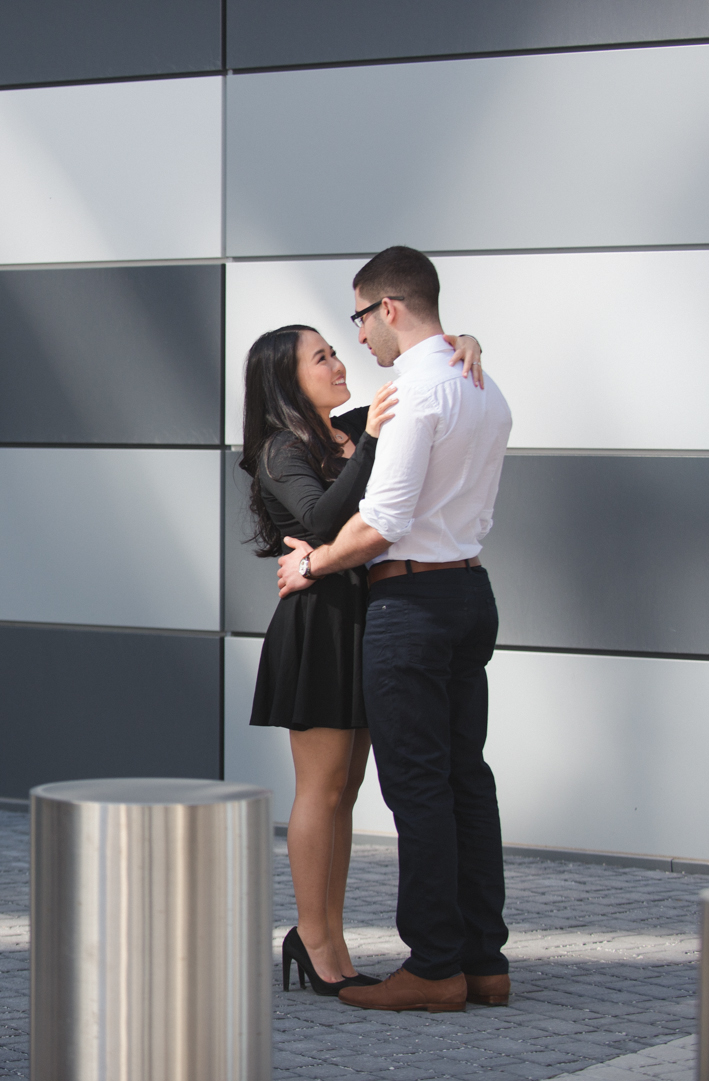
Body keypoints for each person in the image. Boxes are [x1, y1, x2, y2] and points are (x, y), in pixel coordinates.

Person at [275, 246, 514, 1013]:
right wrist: (465, 339)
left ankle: (435, 966)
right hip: (471, 591)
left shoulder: (416, 392)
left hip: (410, 605)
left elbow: (381, 522)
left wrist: (313, 567)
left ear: (389, 309)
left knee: (417, 787)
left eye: (360, 318)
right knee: (465, 780)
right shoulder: (483, 385)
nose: (360, 340)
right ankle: (484, 960)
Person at [238, 322, 483, 996]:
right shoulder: (280, 449)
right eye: (321, 357)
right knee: (321, 788)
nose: (338, 363)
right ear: (288, 379)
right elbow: (320, 523)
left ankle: (331, 936)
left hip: (367, 619)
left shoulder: (345, 427)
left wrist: (465, 343)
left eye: (335, 351)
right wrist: (371, 442)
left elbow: (426, 373)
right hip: (318, 627)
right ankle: (314, 938)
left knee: (347, 790)